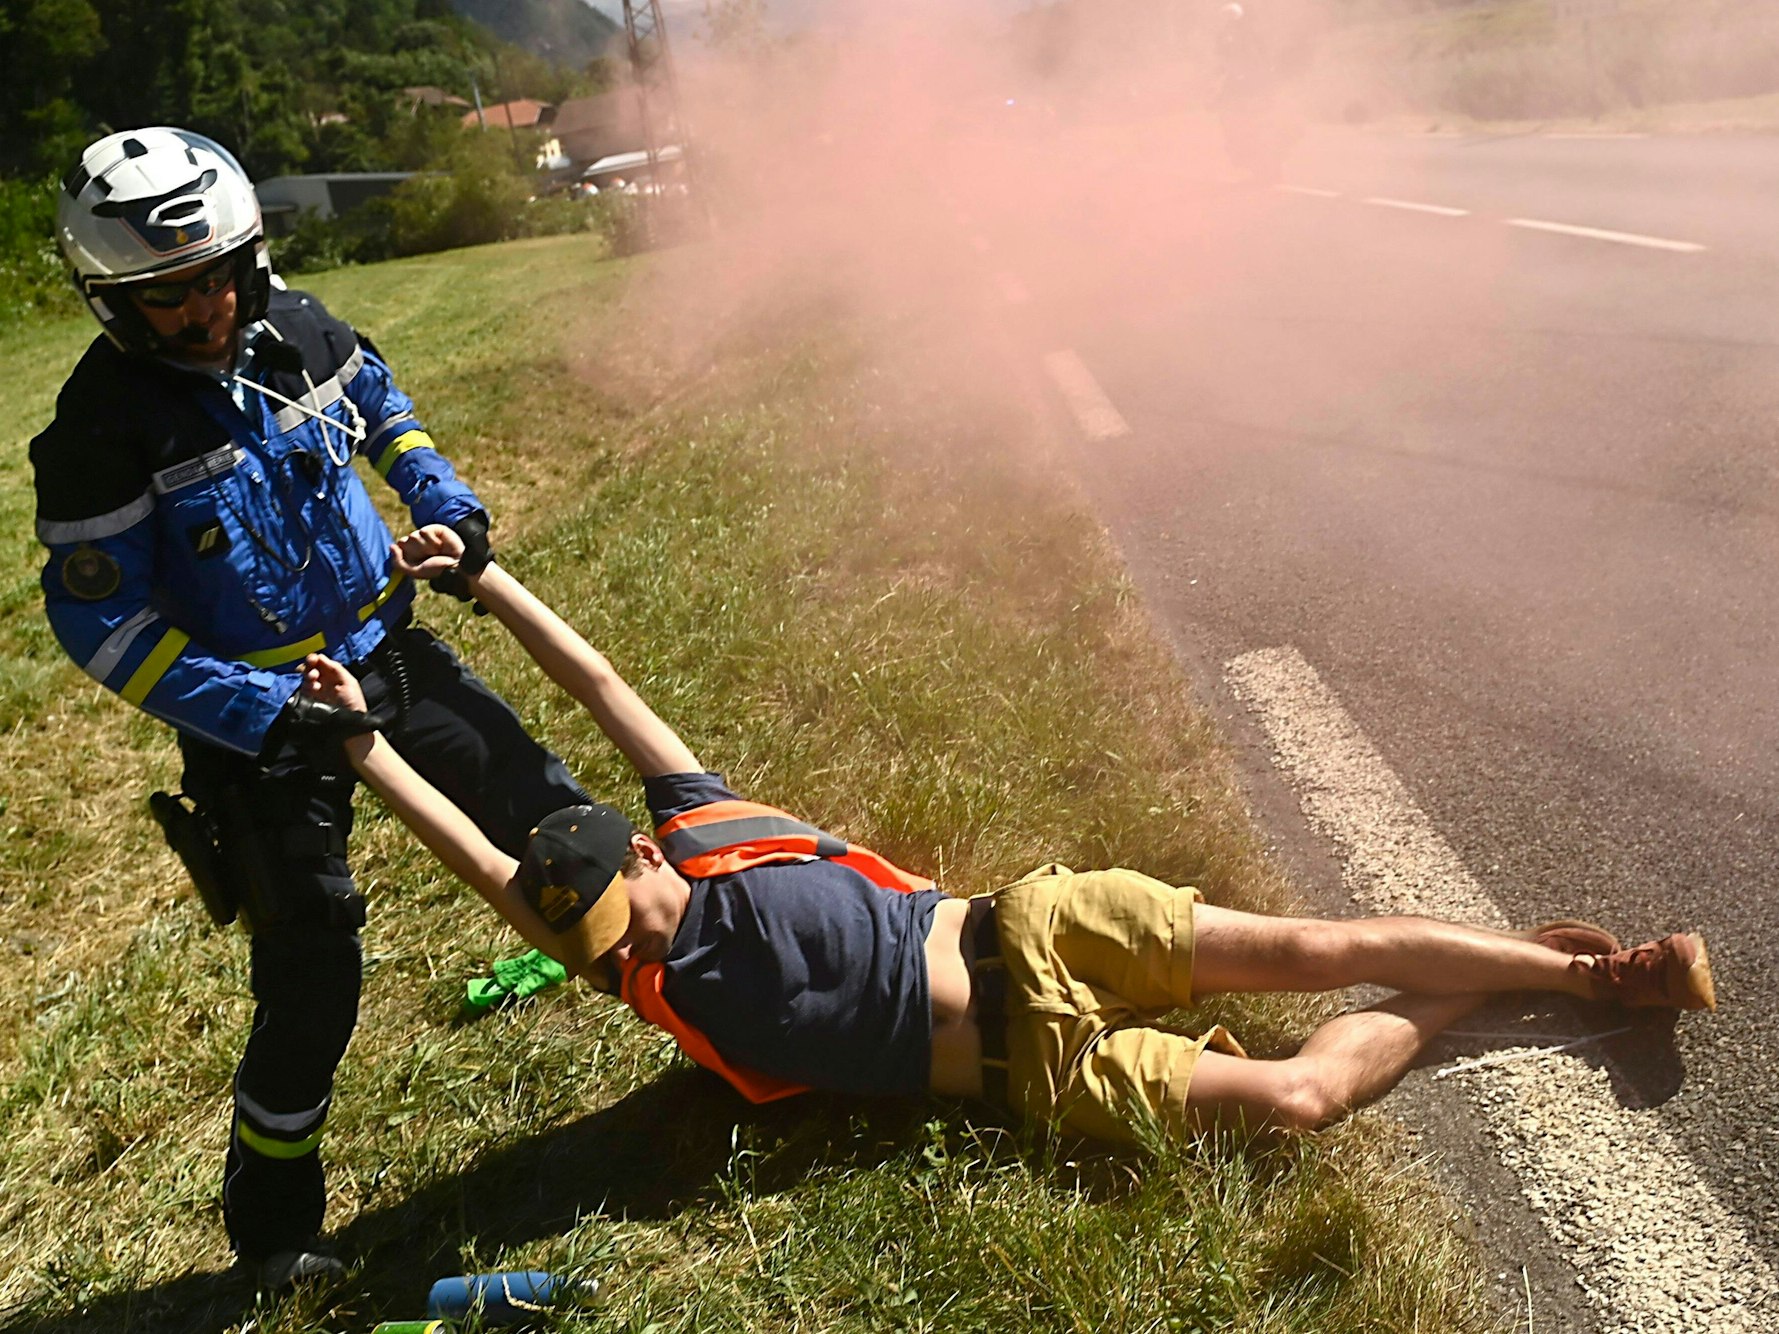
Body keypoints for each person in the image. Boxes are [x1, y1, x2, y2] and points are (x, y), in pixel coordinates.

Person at [302, 524, 1717, 1151]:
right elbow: (477, 861)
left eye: (622, 906)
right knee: (1293, 1101)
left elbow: (606, 692)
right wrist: (366, 748)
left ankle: (1601, 976)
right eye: (596, 942)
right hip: (1035, 1068)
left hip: (1030, 925)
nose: (627, 940)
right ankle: (1484, 980)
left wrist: (488, 580)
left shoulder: (707, 831)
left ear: (642, 855)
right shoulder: (635, 974)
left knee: (1311, 943)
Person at [28, 127, 590, 1290]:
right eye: (168, 297)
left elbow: (386, 406)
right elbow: (103, 625)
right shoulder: (95, 435)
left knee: (550, 808)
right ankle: (275, 1228)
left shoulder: (300, 331)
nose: (206, 310)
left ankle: (688, 984)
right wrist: (261, 713)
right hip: (268, 728)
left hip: (390, 648)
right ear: (110, 302)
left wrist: (446, 501)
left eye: (221, 275)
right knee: (311, 967)